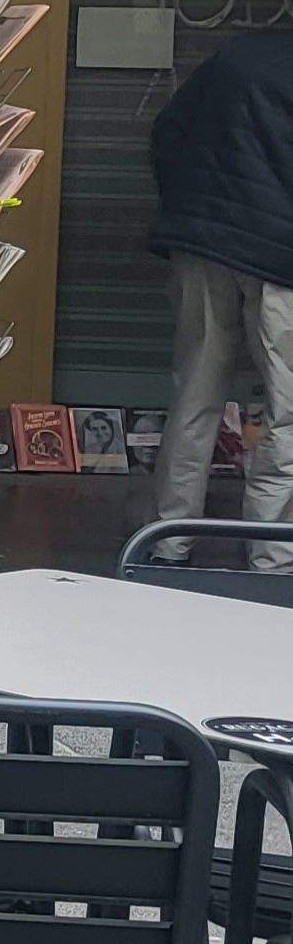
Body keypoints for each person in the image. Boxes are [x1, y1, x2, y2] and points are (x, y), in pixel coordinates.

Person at [145, 28, 293, 567]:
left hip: (202, 246)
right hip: (280, 261)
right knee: (288, 412)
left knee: (195, 395)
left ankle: (168, 539)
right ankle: (272, 556)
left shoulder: (236, 56)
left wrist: (189, 209)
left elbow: (167, 131)